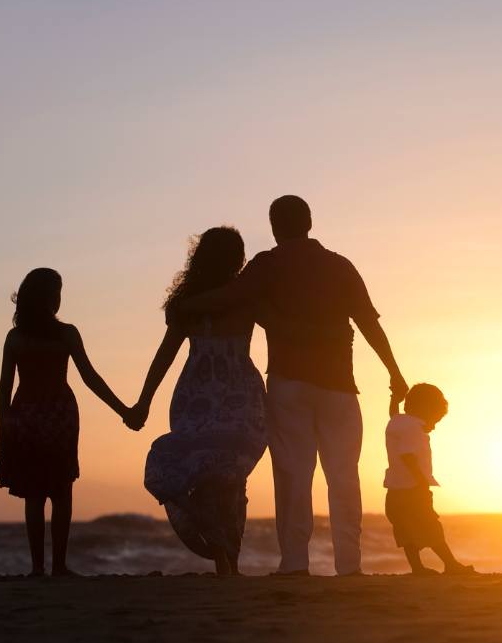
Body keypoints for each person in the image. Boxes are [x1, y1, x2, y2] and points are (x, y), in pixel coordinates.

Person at [176, 195, 408, 576]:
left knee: (293, 475)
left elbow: (229, 297)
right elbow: (369, 323)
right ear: (310, 222)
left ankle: (295, 564)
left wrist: (186, 306)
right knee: (343, 475)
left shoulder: (267, 264)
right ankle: (349, 566)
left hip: (289, 384)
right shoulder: (339, 265)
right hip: (339, 386)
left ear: (273, 226)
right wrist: (394, 374)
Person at [124, 227, 267, 576]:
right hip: (236, 394)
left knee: (213, 475)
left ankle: (224, 554)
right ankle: (227, 557)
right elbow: (166, 353)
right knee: (231, 477)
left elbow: (164, 357)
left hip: (198, 396)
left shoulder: (193, 303)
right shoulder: (243, 296)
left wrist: (144, 401)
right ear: (236, 258)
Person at [0, 267, 129, 576]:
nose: (59, 299)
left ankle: (38, 568)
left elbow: (4, 389)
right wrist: (124, 411)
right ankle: (58, 566)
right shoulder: (66, 333)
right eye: (57, 293)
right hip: (58, 416)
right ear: (48, 298)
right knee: (61, 490)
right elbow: (90, 378)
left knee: (34, 494)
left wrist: (4, 428)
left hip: (26, 415)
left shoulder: (16, 338)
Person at [384, 383, 474, 575]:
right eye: (434, 419)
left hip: (394, 493)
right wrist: (422, 481)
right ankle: (450, 564)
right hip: (413, 490)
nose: (432, 427)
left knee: (406, 531)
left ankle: (417, 568)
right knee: (431, 527)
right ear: (425, 410)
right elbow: (407, 455)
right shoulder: (414, 429)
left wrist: (394, 399)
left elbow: (393, 414)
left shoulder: (398, 421)